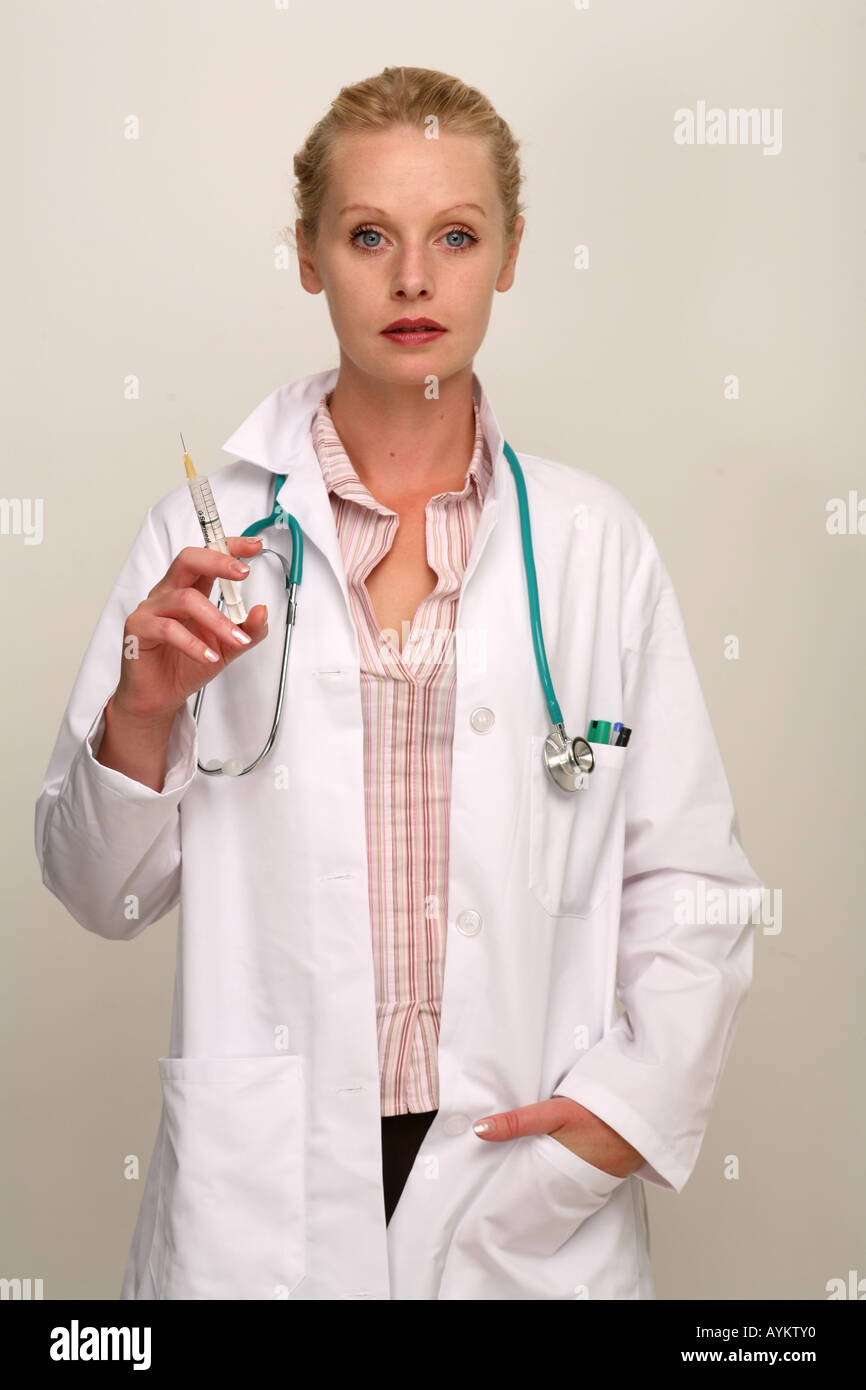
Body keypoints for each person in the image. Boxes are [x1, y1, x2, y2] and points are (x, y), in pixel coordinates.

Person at [34, 65, 765, 1300]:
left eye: (456, 236)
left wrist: (612, 1125)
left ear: (511, 254)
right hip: (261, 1188)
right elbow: (96, 893)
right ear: (310, 256)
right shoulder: (204, 537)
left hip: (518, 1174)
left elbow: (690, 883)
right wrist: (140, 716)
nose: (414, 278)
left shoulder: (591, 546)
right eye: (368, 235)